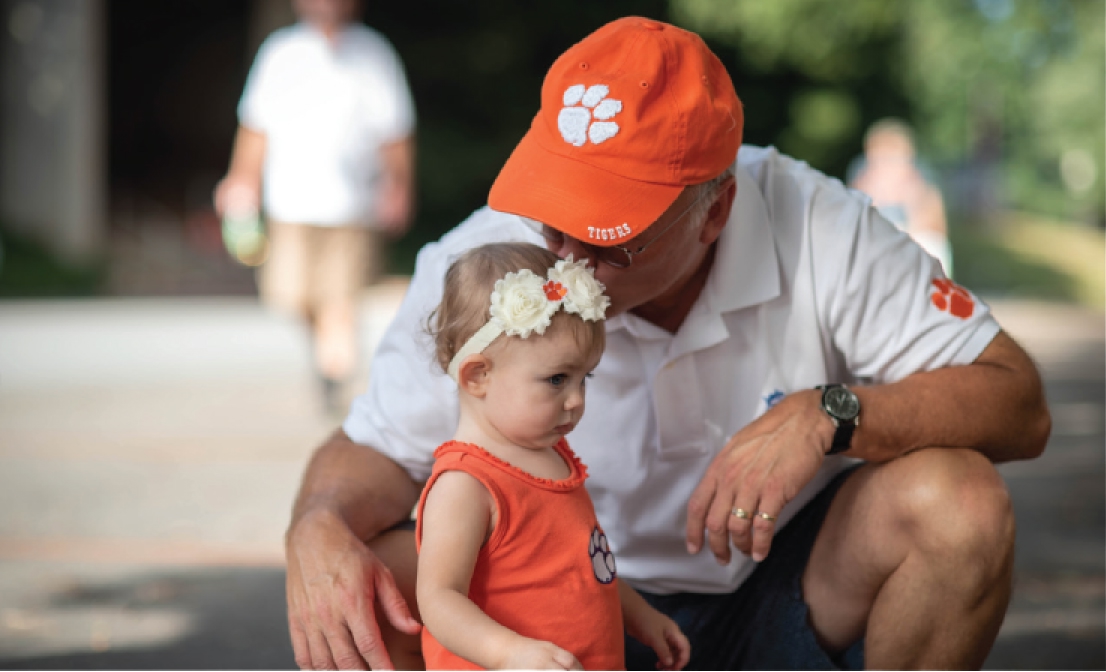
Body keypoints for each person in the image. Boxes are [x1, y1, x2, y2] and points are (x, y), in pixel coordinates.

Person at [284, 17, 1051, 670]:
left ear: (715, 211)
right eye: (557, 220)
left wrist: (832, 414)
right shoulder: (489, 262)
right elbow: (372, 452)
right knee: (364, 578)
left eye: (612, 239)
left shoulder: (819, 226)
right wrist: (316, 523)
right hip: (553, 606)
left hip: (792, 585)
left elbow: (1018, 399)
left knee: (959, 505)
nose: (569, 263)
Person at [415, 242, 690, 670]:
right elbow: (439, 597)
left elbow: (583, 565)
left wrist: (640, 615)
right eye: (557, 379)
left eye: (586, 377)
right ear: (478, 375)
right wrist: (508, 653)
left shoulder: (552, 454)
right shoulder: (465, 485)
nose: (577, 400)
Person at [214, 0, 416, 412]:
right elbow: (256, 126)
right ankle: (329, 355)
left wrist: (398, 186)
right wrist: (241, 179)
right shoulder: (280, 52)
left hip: (353, 205)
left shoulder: (374, 53)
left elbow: (395, 130)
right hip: (289, 202)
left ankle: (336, 376)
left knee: (340, 297)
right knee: (291, 296)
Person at [849, 118, 953, 276]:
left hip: (911, 241)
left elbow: (937, 230)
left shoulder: (921, 181)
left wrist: (912, 201)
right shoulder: (862, 181)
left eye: (894, 158)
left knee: (931, 244)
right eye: (882, 158)